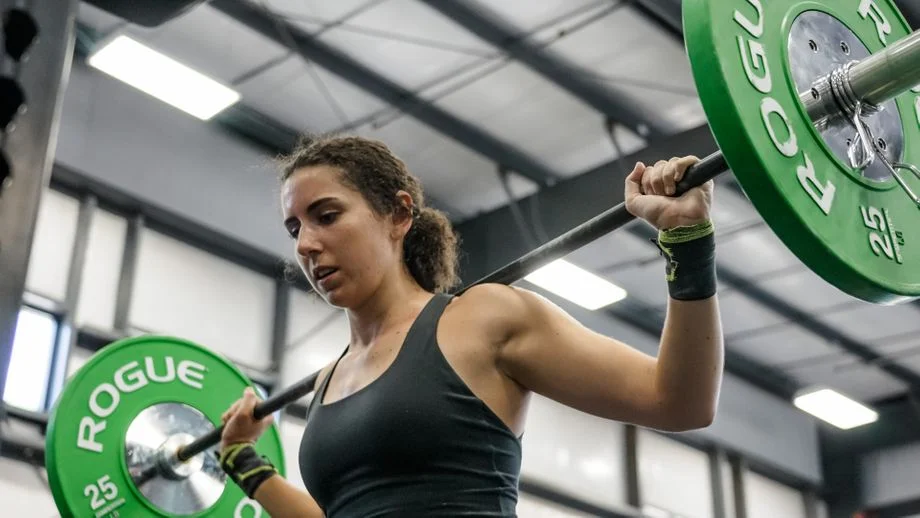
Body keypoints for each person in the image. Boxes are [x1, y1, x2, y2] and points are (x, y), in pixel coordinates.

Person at [217, 135, 723, 517]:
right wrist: (242, 460)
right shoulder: (328, 380)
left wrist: (688, 241)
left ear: (398, 214)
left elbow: (680, 402)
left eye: (325, 216)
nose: (305, 243)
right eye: (294, 228)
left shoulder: (483, 318)